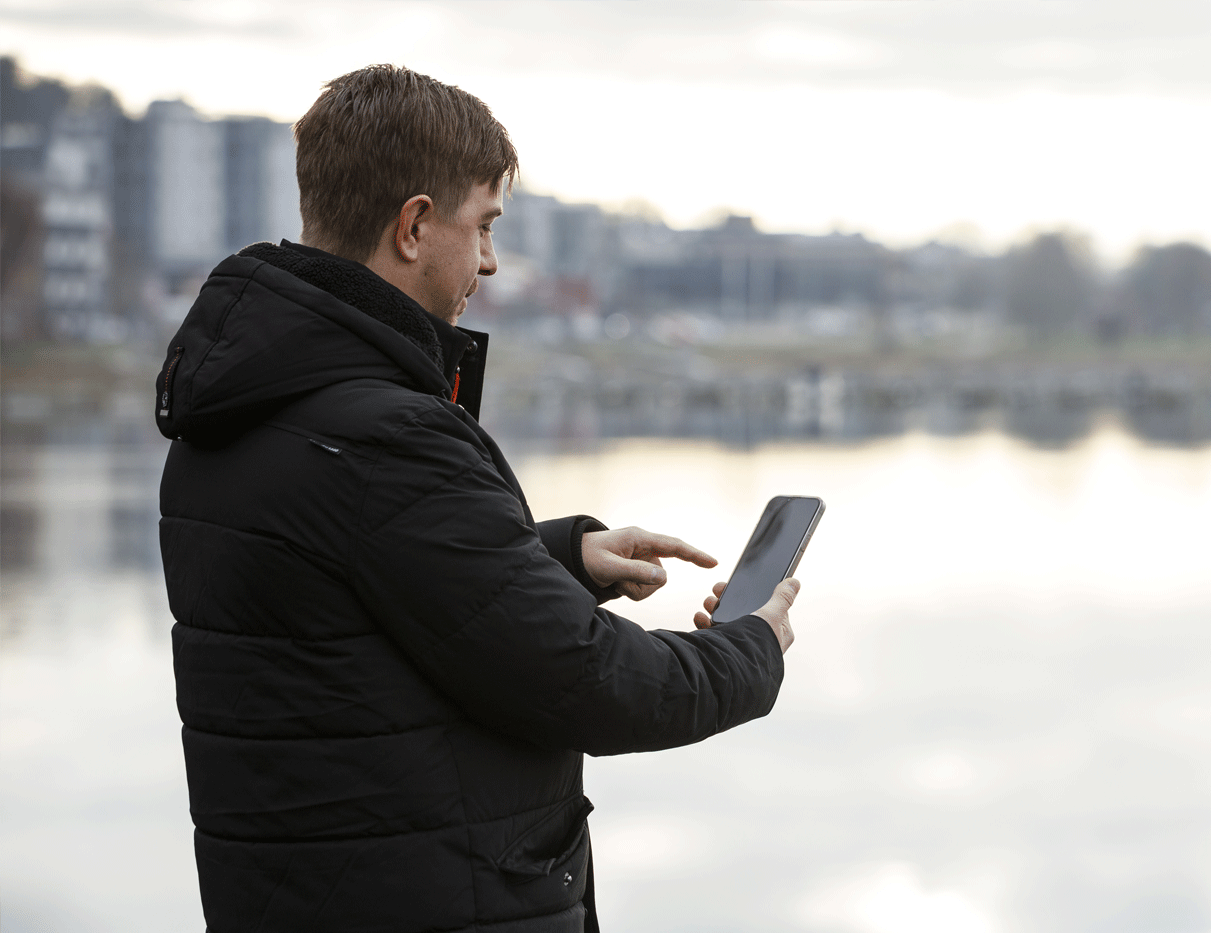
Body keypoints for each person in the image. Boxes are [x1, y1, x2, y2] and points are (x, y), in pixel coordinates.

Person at [155, 64, 799, 933]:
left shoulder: (241, 411)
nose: (491, 262)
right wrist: (753, 649)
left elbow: (361, 587)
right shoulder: (386, 438)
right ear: (415, 226)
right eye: (484, 226)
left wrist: (560, 556)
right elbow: (591, 681)